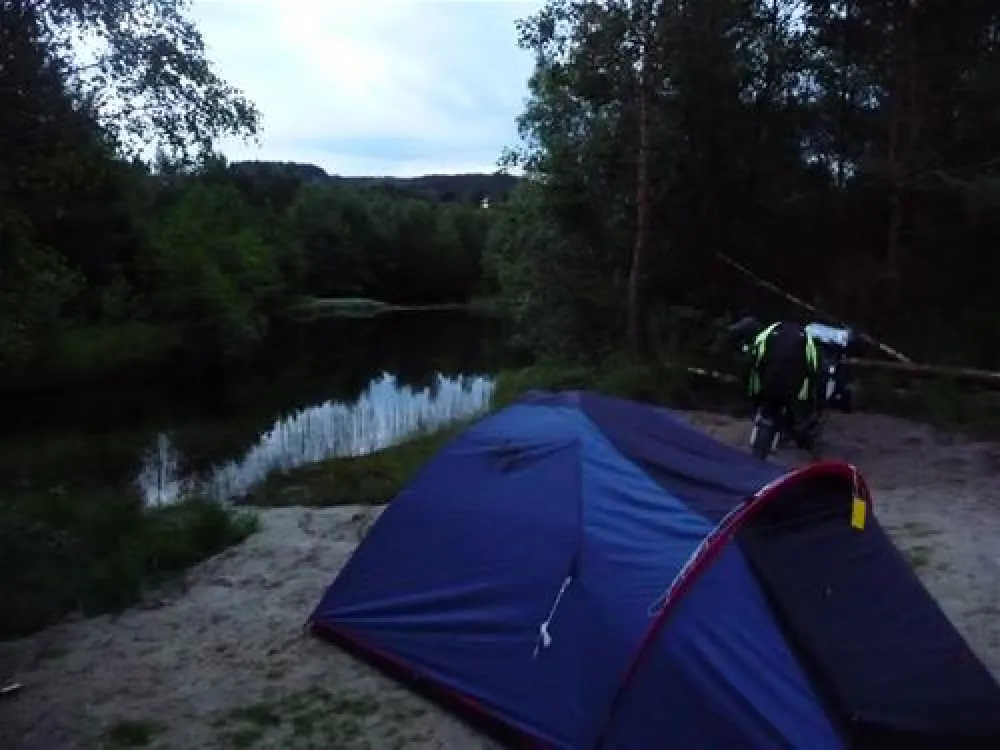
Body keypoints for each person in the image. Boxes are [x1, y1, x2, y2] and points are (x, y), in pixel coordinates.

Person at [727, 316, 821, 449]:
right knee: (792, 413)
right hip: (793, 389)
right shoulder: (807, 339)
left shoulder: (768, 333)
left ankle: (786, 429)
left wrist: (749, 393)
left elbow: (752, 361)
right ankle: (794, 431)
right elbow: (814, 369)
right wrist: (810, 402)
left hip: (769, 383)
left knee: (770, 403)